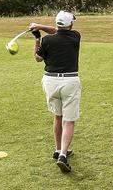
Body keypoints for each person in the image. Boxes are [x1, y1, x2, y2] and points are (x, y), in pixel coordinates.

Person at [29, 10, 81, 173]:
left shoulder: (47, 40)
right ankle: (63, 155)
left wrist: (37, 37)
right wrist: (41, 27)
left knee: (57, 117)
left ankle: (58, 149)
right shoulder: (75, 37)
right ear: (70, 25)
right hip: (69, 82)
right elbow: (57, 31)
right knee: (69, 121)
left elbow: (38, 58)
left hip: (50, 81)